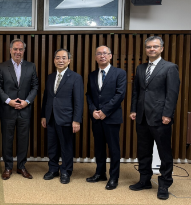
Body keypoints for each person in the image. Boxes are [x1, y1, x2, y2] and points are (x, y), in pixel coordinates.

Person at [129, 36, 180, 200]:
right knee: (143, 151)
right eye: (149, 47)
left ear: (162, 49)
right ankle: (144, 180)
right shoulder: (140, 68)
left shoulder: (170, 67)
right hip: (142, 116)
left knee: (164, 152)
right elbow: (136, 91)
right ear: (145, 49)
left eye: (155, 47)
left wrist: (167, 114)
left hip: (160, 117)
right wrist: (133, 109)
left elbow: (172, 94)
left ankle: (164, 184)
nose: (152, 49)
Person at [0, 39, 38, 180]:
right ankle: (8, 167)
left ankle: (21, 166)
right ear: (10, 50)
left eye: (20, 49)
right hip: (8, 110)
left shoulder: (31, 66)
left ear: (24, 51)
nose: (18, 52)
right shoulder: (2, 66)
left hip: (25, 109)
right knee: (7, 139)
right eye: (15, 49)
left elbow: (35, 86)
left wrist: (26, 102)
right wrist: (9, 101)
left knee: (23, 139)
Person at [85, 46, 126, 190]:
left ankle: (114, 177)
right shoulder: (91, 75)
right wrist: (93, 111)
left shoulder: (120, 73)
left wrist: (104, 111)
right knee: (99, 147)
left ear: (110, 56)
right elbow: (89, 95)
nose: (102, 56)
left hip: (112, 117)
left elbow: (120, 94)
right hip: (96, 117)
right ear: (96, 57)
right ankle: (100, 173)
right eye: (99, 54)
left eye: (105, 53)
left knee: (114, 148)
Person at [41, 49, 83, 184]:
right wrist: (43, 115)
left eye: (64, 58)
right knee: (52, 145)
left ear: (69, 61)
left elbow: (78, 101)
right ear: (54, 60)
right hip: (51, 117)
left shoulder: (76, 77)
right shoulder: (50, 77)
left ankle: (66, 171)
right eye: (58, 58)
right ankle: (53, 169)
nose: (60, 60)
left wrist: (76, 120)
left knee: (66, 146)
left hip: (67, 118)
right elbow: (46, 98)